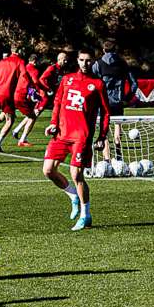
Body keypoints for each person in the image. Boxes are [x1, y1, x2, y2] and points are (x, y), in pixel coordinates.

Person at [44, 53, 109, 230]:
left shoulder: (98, 84)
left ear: (93, 61)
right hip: (62, 133)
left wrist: (102, 136)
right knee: (48, 170)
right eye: (81, 60)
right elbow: (58, 102)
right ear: (77, 61)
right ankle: (73, 195)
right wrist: (53, 123)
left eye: (88, 60)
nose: (85, 63)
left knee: (76, 175)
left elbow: (105, 112)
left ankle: (85, 215)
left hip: (81, 136)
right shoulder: (67, 79)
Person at [95, 43, 135, 163]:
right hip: (118, 102)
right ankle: (118, 153)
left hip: (103, 102)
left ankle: (107, 159)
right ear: (115, 50)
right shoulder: (122, 64)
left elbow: (92, 81)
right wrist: (127, 98)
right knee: (118, 125)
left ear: (103, 50)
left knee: (104, 130)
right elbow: (134, 84)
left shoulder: (98, 64)